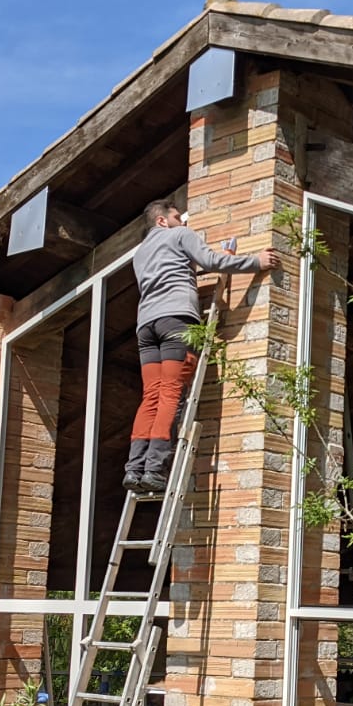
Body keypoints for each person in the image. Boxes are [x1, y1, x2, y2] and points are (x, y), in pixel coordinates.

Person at [126, 199, 278, 492]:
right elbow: (211, 262)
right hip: (176, 321)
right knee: (171, 393)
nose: (183, 222)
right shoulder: (181, 235)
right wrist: (255, 262)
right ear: (162, 220)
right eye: (177, 217)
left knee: (151, 397)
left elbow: (175, 273)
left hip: (146, 326)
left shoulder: (140, 254)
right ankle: (155, 469)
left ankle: (134, 469)